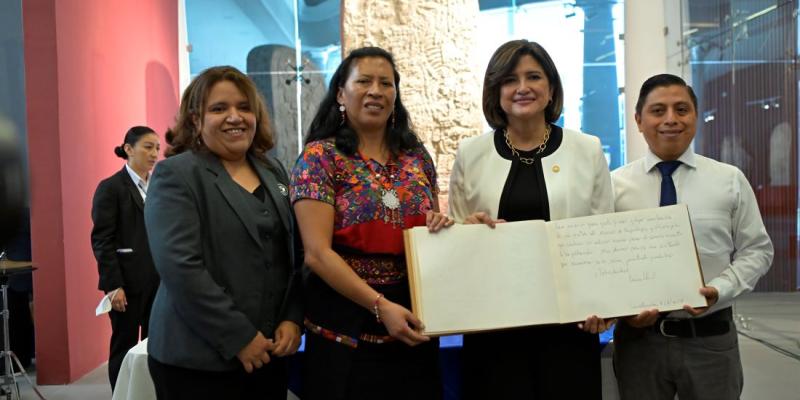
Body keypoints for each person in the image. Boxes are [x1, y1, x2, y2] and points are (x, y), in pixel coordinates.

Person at [448, 39, 614, 399]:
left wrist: (605, 303)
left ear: (551, 88)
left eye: (533, 77)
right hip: (492, 323)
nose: (522, 87)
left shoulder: (587, 149)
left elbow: (603, 232)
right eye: (510, 80)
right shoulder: (470, 153)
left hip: (569, 323)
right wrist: (468, 231)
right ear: (496, 92)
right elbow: (456, 237)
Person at [290, 46, 452, 400]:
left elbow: (428, 229)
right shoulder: (320, 158)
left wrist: (447, 224)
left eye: (386, 83)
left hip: (412, 322)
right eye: (364, 81)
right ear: (340, 94)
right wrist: (380, 305)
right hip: (344, 328)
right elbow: (317, 254)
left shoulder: (416, 157)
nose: (376, 91)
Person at [611, 73, 774, 400]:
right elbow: (604, 261)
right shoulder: (614, 186)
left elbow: (757, 250)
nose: (671, 119)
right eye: (658, 111)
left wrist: (720, 290)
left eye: (681, 109)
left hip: (710, 341)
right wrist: (621, 308)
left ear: (696, 117)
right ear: (638, 120)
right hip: (639, 345)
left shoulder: (729, 180)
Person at [144, 66, 303, 399]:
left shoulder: (273, 170)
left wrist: (292, 318)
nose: (235, 117)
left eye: (244, 107)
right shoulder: (176, 175)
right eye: (219, 108)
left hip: (269, 354)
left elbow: (292, 254)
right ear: (195, 119)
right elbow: (181, 268)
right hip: (197, 362)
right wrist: (239, 337)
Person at [90, 126, 160, 391]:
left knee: (156, 345)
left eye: (157, 148)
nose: (154, 154)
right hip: (126, 285)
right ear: (128, 149)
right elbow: (102, 240)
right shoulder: (111, 188)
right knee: (124, 345)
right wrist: (113, 286)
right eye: (148, 147)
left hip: (159, 282)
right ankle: (121, 395)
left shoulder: (159, 186)